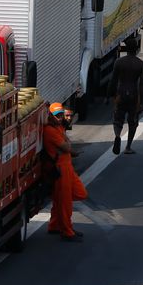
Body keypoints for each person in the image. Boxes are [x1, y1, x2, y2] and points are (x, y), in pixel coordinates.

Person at [43, 103, 87, 241]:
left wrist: (67, 147)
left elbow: (66, 145)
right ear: (50, 116)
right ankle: (67, 232)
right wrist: (69, 148)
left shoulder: (59, 127)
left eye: (62, 115)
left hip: (66, 166)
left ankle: (55, 225)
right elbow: (66, 146)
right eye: (58, 115)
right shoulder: (50, 130)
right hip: (60, 168)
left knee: (79, 193)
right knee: (65, 202)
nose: (61, 117)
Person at [110, 41, 143, 155]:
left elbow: (113, 81)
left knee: (118, 118)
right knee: (133, 121)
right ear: (136, 50)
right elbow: (141, 85)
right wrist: (141, 103)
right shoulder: (141, 64)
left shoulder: (119, 62)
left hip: (121, 93)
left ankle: (117, 135)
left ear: (126, 50)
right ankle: (128, 147)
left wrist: (111, 96)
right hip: (133, 95)